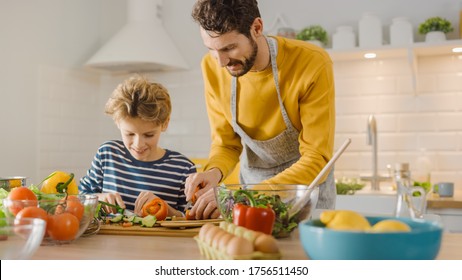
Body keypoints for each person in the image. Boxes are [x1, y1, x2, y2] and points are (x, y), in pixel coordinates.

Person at [186, 0, 336, 219]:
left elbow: (316, 158)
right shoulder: (211, 67)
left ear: (256, 28)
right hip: (249, 191)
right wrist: (213, 172)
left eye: (229, 48)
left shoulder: (311, 63)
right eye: (211, 50)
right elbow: (226, 144)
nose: (220, 62)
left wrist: (247, 195)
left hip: (306, 190)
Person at [79, 76, 196, 217]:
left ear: (165, 124)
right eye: (129, 134)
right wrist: (98, 199)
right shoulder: (107, 154)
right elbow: (79, 198)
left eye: (149, 135)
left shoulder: (183, 168)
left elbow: (191, 218)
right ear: (117, 122)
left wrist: (165, 209)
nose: (138, 144)